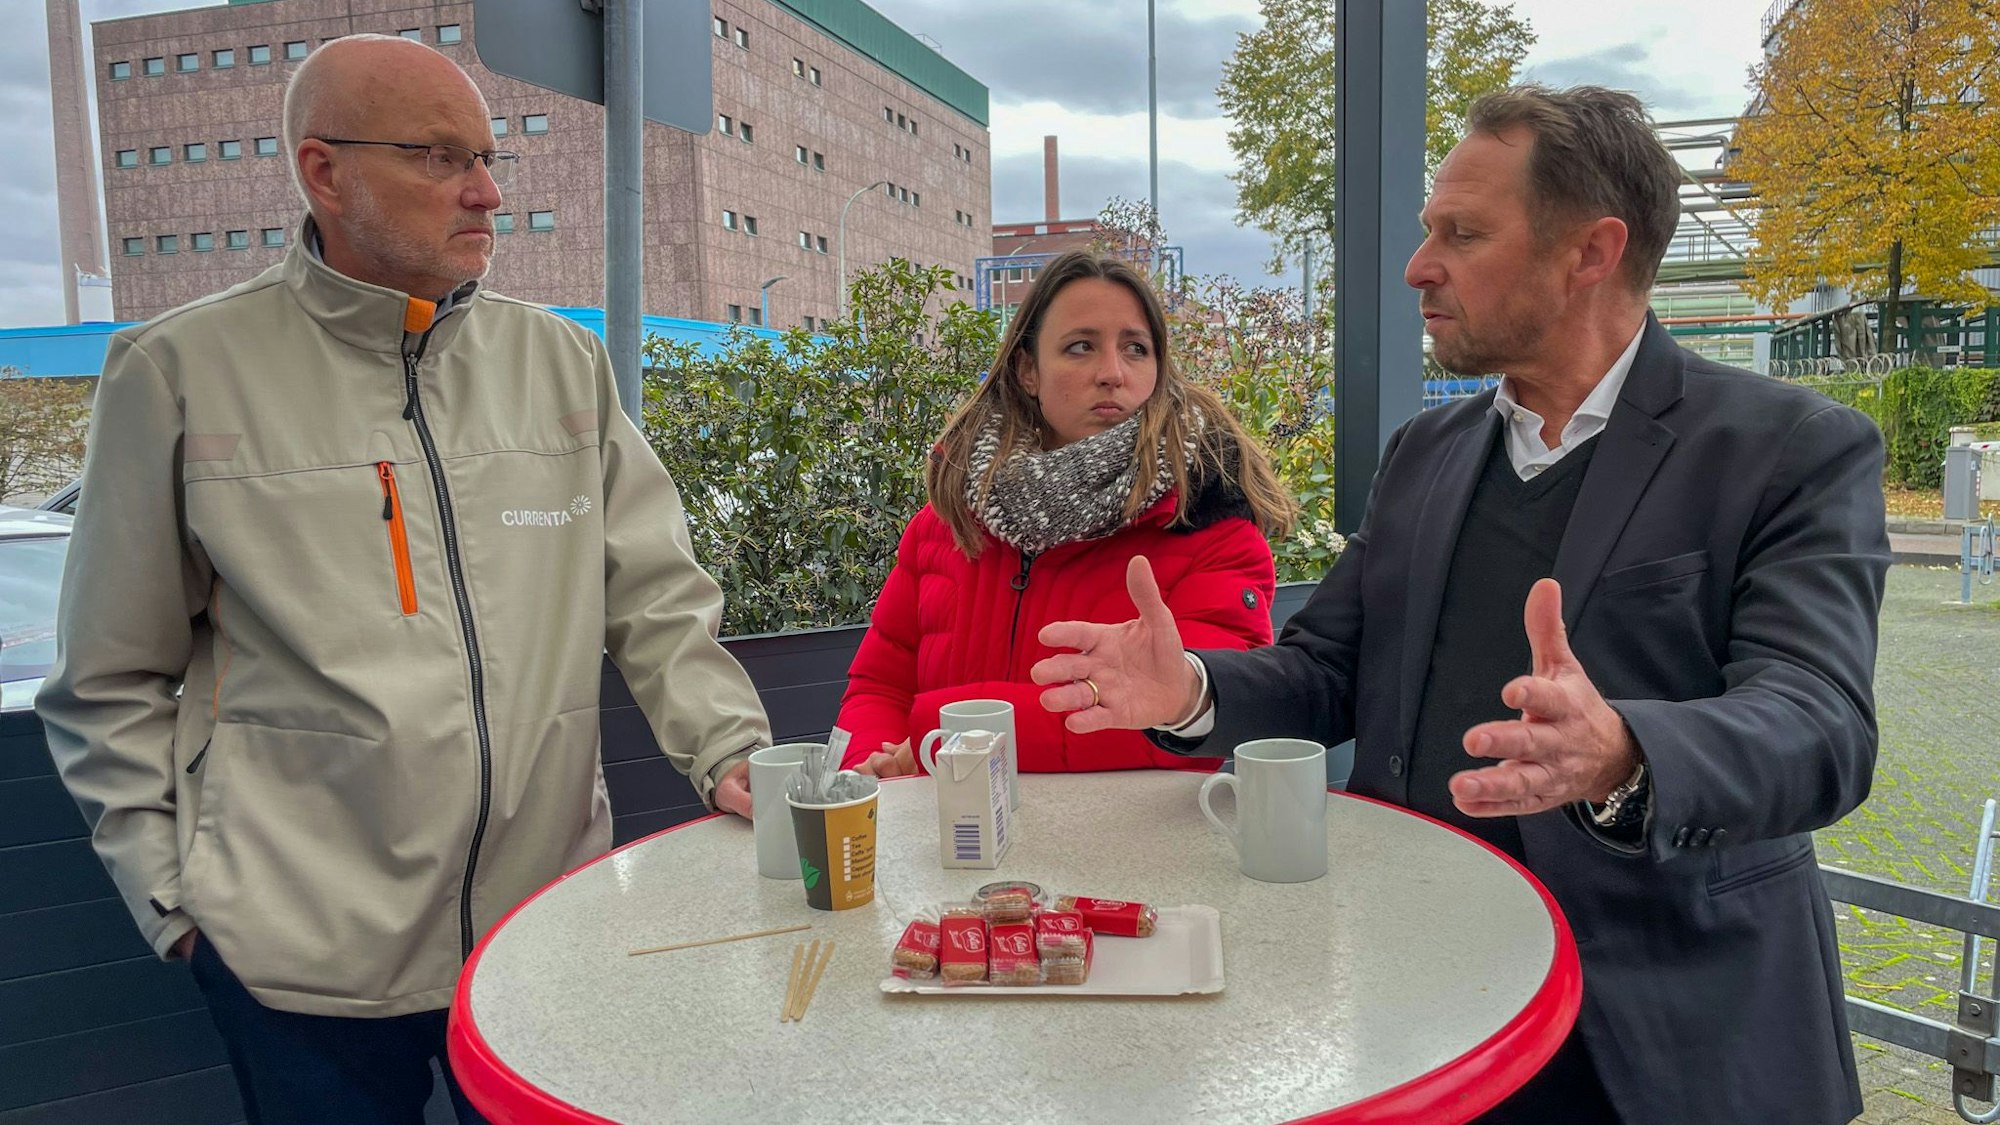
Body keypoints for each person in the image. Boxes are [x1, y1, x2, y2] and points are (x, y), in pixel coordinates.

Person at [1031, 86, 1888, 1125]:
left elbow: (1819, 724)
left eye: (1460, 233)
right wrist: (1189, 692)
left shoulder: (1788, 449)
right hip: (1433, 1006)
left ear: (1589, 253)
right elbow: (1326, 672)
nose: (1416, 266)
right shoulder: (1424, 454)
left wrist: (1625, 751)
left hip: (1662, 1038)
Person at [37, 35, 768, 1125]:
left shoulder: (558, 365)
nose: (485, 192)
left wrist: (730, 751)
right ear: (322, 171)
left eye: (485, 155)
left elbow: (654, 595)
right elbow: (107, 676)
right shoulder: (180, 371)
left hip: (541, 930)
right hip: (292, 964)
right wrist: (174, 901)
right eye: (438, 158)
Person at [835, 250, 1295, 777]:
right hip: (943, 840)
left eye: (1136, 349)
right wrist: (872, 776)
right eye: (1080, 347)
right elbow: (878, 687)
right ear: (1029, 369)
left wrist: (935, 739)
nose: (1111, 373)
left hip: (1124, 853)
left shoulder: (1210, 526)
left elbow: (1184, 717)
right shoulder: (945, 524)